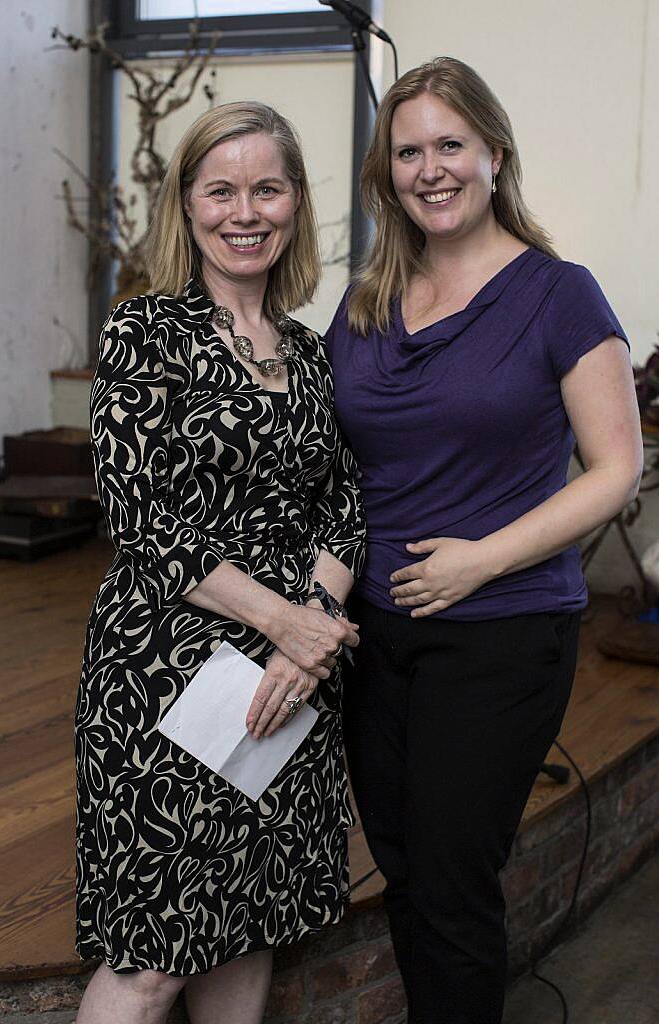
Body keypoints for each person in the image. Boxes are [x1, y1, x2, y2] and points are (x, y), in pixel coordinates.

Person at [325, 57, 643, 1024]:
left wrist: (482, 558)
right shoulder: (367, 297)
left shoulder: (558, 294)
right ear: (388, 171)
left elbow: (616, 469)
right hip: (375, 634)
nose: (431, 168)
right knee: (410, 875)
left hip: (503, 629)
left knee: (456, 886)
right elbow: (334, 462)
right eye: (408, 150)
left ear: (494, 155)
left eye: (450, 145)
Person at [75, 101, 365, 1024]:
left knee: (247, 927)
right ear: (188, 207)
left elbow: (346, 509)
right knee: (153, 958)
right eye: (222, 190)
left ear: (295, 202)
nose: (246, 212)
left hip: (290, 686)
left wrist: (304, 643)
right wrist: (286, 624)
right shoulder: (144, 335)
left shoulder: (314, 356)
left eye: (267, 188)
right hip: (168, 683)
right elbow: (141, 519)